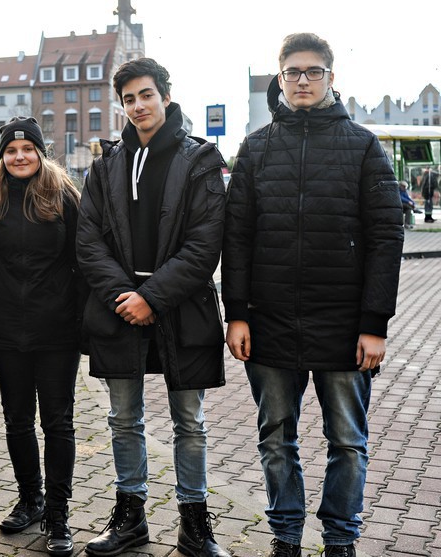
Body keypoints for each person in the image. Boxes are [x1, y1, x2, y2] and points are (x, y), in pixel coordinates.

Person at [222, 33, 404, 557]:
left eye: (313, 72)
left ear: (331, 78)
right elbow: (236, 238)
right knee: (276, 439)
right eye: (293, 72)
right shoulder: (256, 149)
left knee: (347, 442)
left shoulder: (364, 146)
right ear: (279, 80)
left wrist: (375, 323)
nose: (303, 80)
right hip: (271, 323)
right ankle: (285, 536)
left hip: (345, 327)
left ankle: (340, 538)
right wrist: (237, 315)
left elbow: (387, 236)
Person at [76, 57, 230, 557]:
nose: (138, 106)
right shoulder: (106, 163)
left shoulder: (202, 159)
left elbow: (206, 245)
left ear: (165, 94)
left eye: (146, 95)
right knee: (123, 419)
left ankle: (194, 524)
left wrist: (152, 297)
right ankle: (130, 518)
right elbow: (88, 241)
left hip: (181, 308)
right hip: (120, 308)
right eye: (128, 99)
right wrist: (127, 298)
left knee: (190, 422)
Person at [0, 117, 82, 556]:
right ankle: (30, 499)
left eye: (27, 150)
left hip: (56, 330)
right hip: (6, 331)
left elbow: (82, 262)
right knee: (17, 419)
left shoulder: (64, 197)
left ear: (40, 153)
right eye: (11, 151)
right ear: (3, 157)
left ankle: (58, 513)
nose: (19, 157)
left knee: (58, 422)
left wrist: (82, 325)